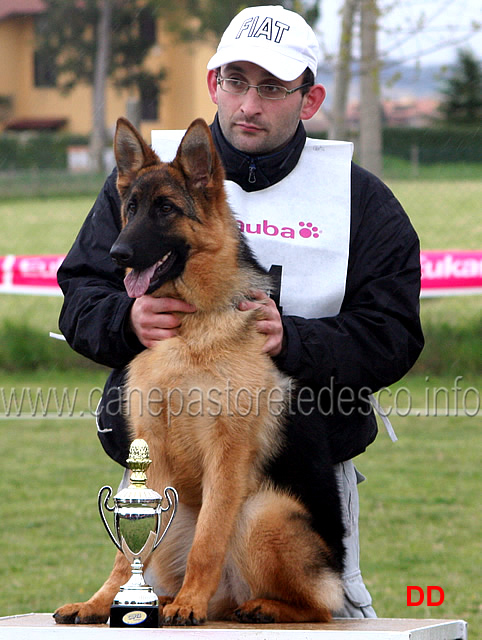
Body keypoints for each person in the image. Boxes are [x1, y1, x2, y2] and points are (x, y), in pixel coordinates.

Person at [57, 5, 424, 618]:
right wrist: (126, 323)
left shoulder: (363, 201)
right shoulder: (148, 181)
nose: (250, 104)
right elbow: (80, 291)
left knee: (326, 616)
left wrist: (296, 340)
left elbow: (395, 334)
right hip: (161, 481)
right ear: (213, 85)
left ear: (309, 100)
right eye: (237, 82)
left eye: (274, 88)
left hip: (294, 481)